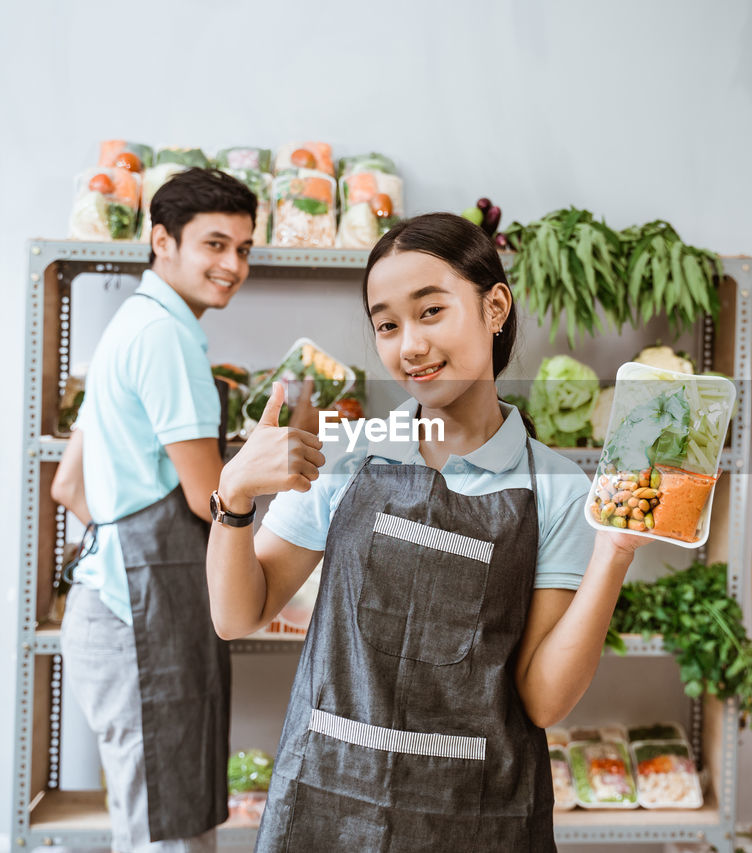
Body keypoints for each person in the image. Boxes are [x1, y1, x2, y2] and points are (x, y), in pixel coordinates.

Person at [206, 213, 650, 851]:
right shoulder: (348, 454)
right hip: (332, 806)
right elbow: (235, 613)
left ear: (494, 306)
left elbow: (544, 701)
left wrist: (614, 551)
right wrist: (234, 496)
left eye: (431, 311)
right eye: (387, 324)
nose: (408, 344)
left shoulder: (555, 488)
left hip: (478, 818)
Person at [51, 168, 314, 852]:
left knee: (154, 824)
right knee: (170, 835)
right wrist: (278, 460)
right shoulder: (167, 338)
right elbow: (211, 497)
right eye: (215, 244)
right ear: (160, 239)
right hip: (144, 624)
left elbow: (69, 487)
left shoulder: (130, 324)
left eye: (245, 248)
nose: (233, 265)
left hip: (115, 609)